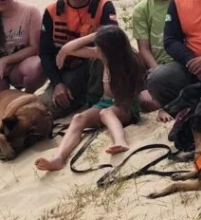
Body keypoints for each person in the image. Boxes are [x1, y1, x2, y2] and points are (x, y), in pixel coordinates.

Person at [35, 25, 147, 171]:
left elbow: (134, 93)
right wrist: (94, 36)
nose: (97, 49)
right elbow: (68, 49)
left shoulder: (130, 60)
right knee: (78, 118)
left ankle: (120, 142)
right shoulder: (102, 55)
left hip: (125, 106)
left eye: (100, 47)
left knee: (106, 113)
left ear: (111, 48)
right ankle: (58, 158)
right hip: (105, 102)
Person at [38, 0, 118, 119]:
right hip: (68, 69)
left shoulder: (103, 6)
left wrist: (69, 48)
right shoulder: (52, 11)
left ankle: (96, 101)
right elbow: (45, 53)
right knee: (47, 109)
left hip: (97, 65)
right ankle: (80, 97)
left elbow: (112, 39)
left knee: (103, 56)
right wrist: (57, 83)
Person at [132, 0, 177, 121]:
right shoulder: (142, 9)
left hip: (180, 65)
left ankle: (169, 103)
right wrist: (158, 73)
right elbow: (143, 49)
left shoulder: (184, 2)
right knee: (145, 101)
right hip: (155, 67)